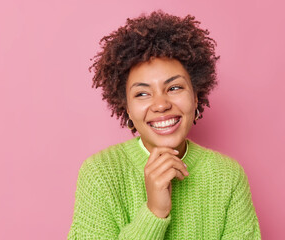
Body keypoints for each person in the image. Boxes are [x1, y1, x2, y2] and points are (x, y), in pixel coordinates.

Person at [68, 10, 261, 239]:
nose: (160, 105)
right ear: (127, 108)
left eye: (174, 88)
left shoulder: (227, 176)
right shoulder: (100, 173)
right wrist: (154, 213)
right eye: (142, 93)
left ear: (196, 96)